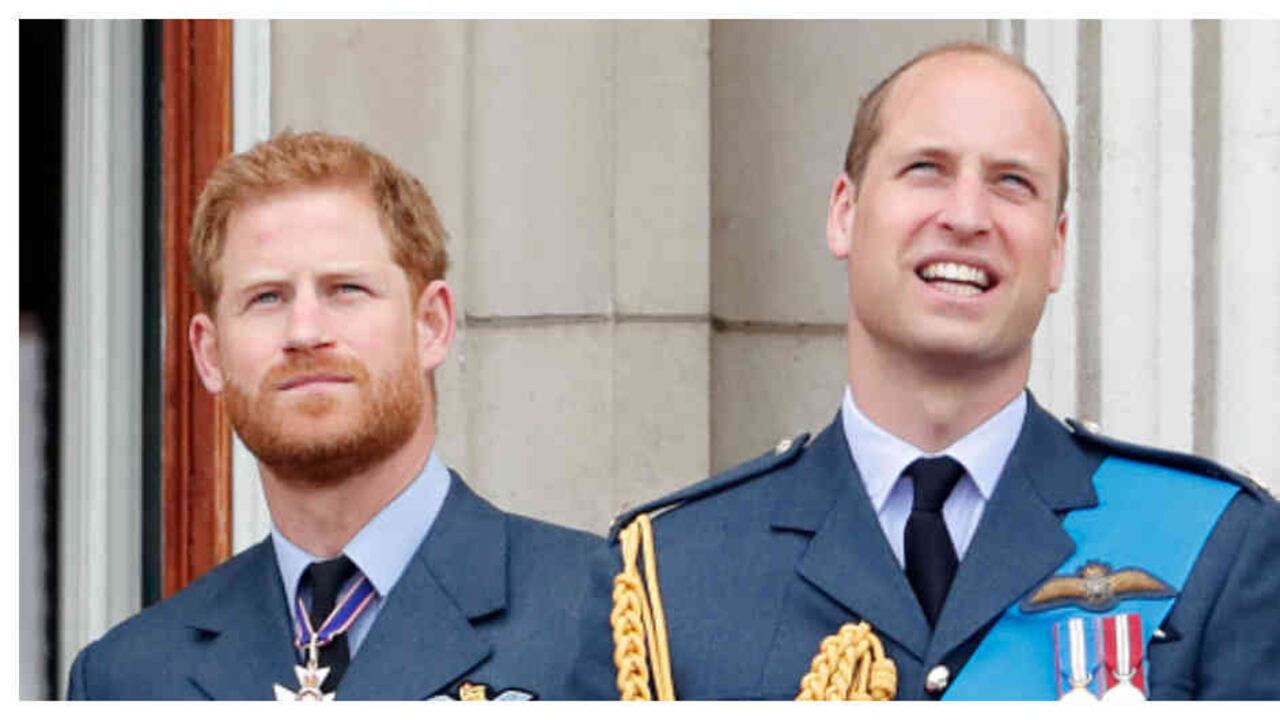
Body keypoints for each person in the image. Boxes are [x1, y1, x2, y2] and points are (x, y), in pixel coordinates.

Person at [572, 42, 1280, 701]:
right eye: (926, 170)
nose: (968, 216)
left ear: (1057, 247)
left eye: (1012, 182)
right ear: (845, 215)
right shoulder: (669, 575)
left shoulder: (1217, 547)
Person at [67, 131, 599, 701]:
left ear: (432, 325)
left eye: (345, 289)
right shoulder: (128, 680)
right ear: (210, 354)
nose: (305, 333)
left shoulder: (604, 613)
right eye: (267, 297)